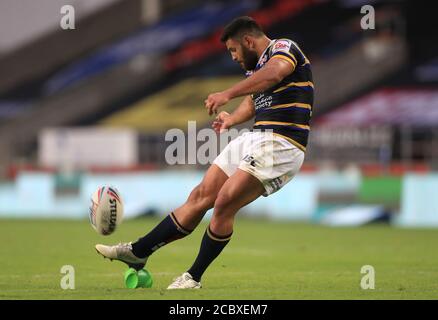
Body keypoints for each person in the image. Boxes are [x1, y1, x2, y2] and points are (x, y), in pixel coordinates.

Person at [95, 16, 313, 289]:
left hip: (282, 143)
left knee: (224, 202)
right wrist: (233, 119)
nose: (233, 57)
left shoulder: (284, 48)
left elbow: (275, 73)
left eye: (233, 50)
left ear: (248, 40)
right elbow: (254, 100)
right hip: (255, 138)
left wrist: (226, 94)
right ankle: (139, 252)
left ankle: (193, 277)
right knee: (201, 196)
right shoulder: (256, 70)